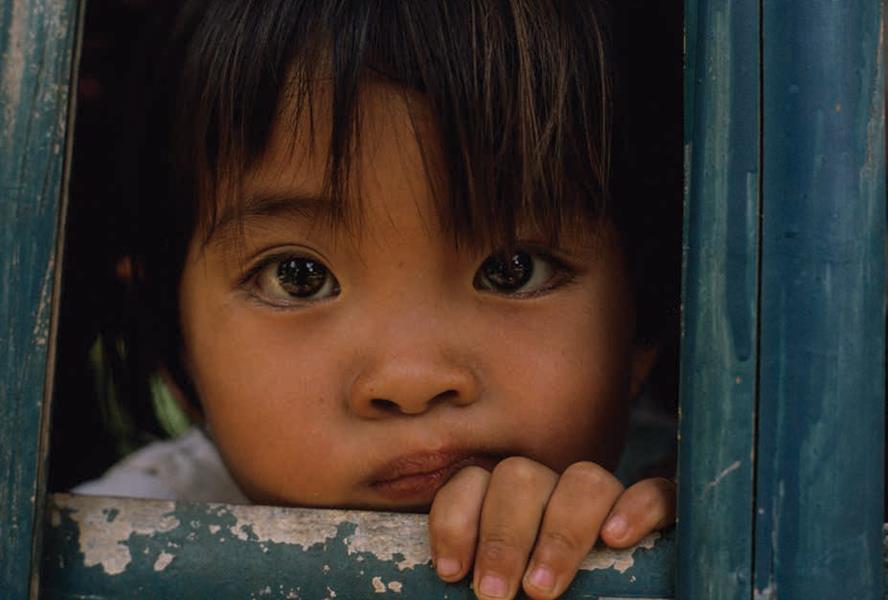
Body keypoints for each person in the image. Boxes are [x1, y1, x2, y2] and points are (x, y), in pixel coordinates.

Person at [73, 1, 681, 598]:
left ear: (644, 320)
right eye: (297, 276)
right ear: (176, 341)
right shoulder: (104, 548)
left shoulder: (697, 517)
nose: (410, 379)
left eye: (511, 270)